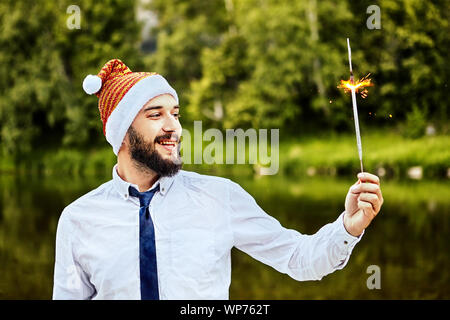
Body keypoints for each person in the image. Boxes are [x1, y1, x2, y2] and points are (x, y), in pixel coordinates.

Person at [52, 59, 384, 300]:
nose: (174, 128)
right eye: (155, 115)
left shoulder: (219, 197)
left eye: (176, 113)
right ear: (122, 134)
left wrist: (348, 228)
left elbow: (298, 259)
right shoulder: (79, 220)